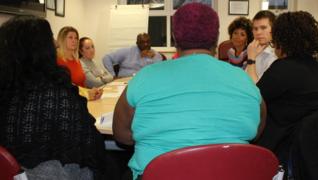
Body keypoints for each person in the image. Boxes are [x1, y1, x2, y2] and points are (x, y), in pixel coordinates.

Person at [112, 3, 266, 179]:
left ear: (174, 37)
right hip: (228, 173)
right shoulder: (244, 79)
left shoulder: (144, 77)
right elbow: (258, 129)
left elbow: (123, 136)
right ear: (216, 38)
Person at [0, 15, 110, 179]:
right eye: (51, 38)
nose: (56, 43)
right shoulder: (58, 95)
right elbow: (92, 145)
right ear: (42, 48)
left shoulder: (7, 91)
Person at [253, 11, 318, 179]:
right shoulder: (317, 68)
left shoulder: (282, 69)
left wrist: (251, 61)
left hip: (280, 152)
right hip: (310, 155)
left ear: (281, 38)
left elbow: (254, 100)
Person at [56, 26, 103, 100]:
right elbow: (64, 89)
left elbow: (81, 85)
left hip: (82, 101)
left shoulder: (77, 60)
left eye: (76, 38)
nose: (74, 40)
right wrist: (87, 94)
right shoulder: (57, 61)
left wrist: (93, 93)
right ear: (62, 39)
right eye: (70, 37)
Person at [245, 10, 277, 82]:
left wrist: (251, 59)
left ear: (274, 29)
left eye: (263, 28)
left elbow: (257, 88)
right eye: (255, 29)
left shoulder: (276, 55)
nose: (258, 32)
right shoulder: (255, 49)